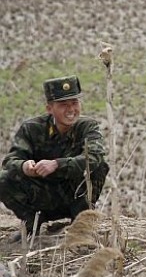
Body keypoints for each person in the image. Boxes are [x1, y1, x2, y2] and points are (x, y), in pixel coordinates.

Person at [0, 75, 109, 242]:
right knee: (3, 179)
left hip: (74, 196)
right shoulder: (32, 128)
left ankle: (80, 224)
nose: (71, 110)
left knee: (100, 166)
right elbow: (10, 161)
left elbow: (94, 157)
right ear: (49, 108)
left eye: (74, 103)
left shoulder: (88, 127)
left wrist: (57, 164)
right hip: (41, 195)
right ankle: (31, 222)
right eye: (63, 105)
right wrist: (25, 167)